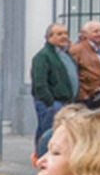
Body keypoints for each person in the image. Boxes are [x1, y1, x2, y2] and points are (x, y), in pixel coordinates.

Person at [32, 22, 77, 153]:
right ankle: (41, 157)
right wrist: (50, 103)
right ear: (49, 37)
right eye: (59, 34)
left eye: (65, 33)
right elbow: (40, 83)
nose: (64, 36)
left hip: (66, 102)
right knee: (47, 134)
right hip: (53, 103)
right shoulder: (43, 56)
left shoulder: (65, 55)